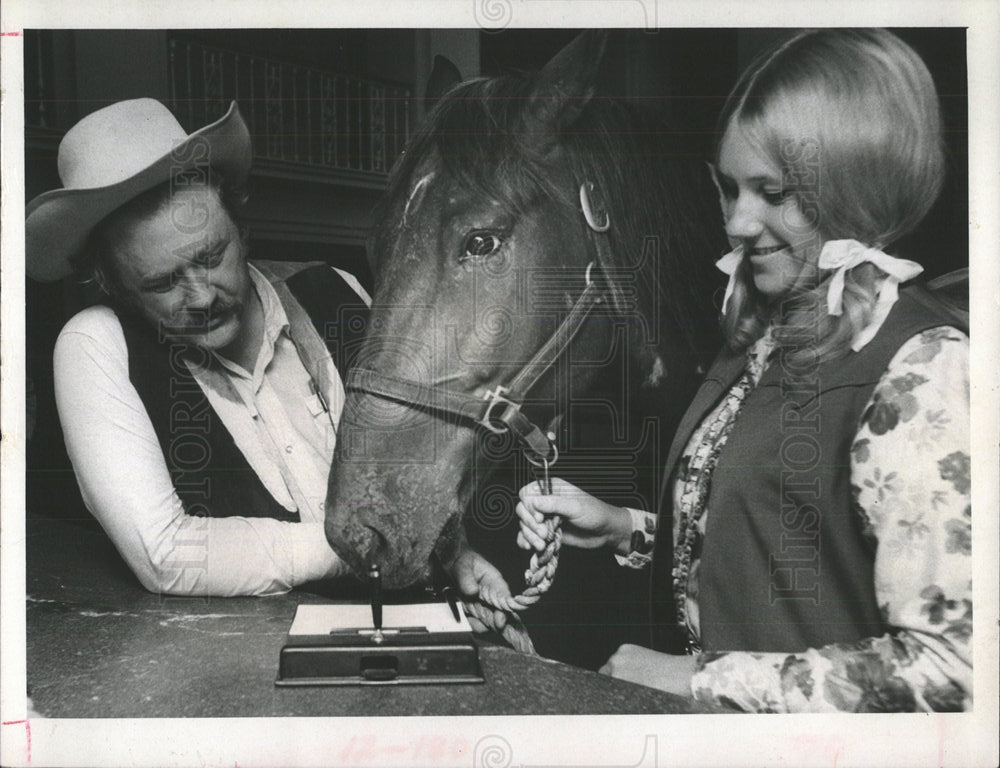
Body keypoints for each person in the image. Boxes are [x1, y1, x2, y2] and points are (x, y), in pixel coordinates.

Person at [516, 29, 971, 712]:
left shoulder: (923, 366)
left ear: (862, 184)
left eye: (773, 191)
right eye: (729, 188)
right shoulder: (764, 330)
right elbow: (780, 538)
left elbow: (955, 672)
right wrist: (623, 528)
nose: (736, 221)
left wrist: (701, 681)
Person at [27, 98, 509, 605]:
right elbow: (168, 553)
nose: (203, 296)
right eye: (162, 283)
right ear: (114, 284)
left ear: (240, 224)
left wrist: (454, 557)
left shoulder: (337, 293)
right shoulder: (96, 344)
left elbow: (410, 472)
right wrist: (365, 549)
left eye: (212, 256)